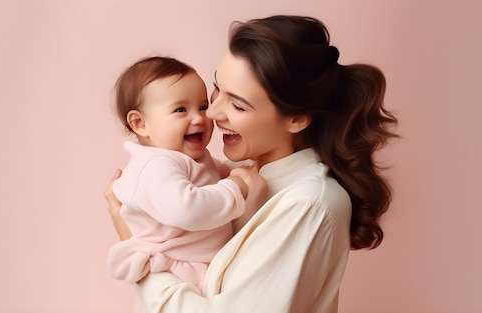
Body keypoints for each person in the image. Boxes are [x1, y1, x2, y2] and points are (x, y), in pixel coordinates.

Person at [105, 15, 398, 312]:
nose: (212, 113)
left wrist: (137, 251)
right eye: (217, 89)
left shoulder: (309, 203)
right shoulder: (238, 173)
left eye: (237, 104)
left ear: (296, 118)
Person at [106, 56, 267, 312]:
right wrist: (236, 188)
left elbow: (215, 173)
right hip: (174, 266)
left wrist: (243, 170)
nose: (200, 118)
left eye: (202, 106)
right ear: (140, 123)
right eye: (181, 110)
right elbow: (188, 209)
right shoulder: (156, 166)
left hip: (199, 265)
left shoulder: (189, 157)